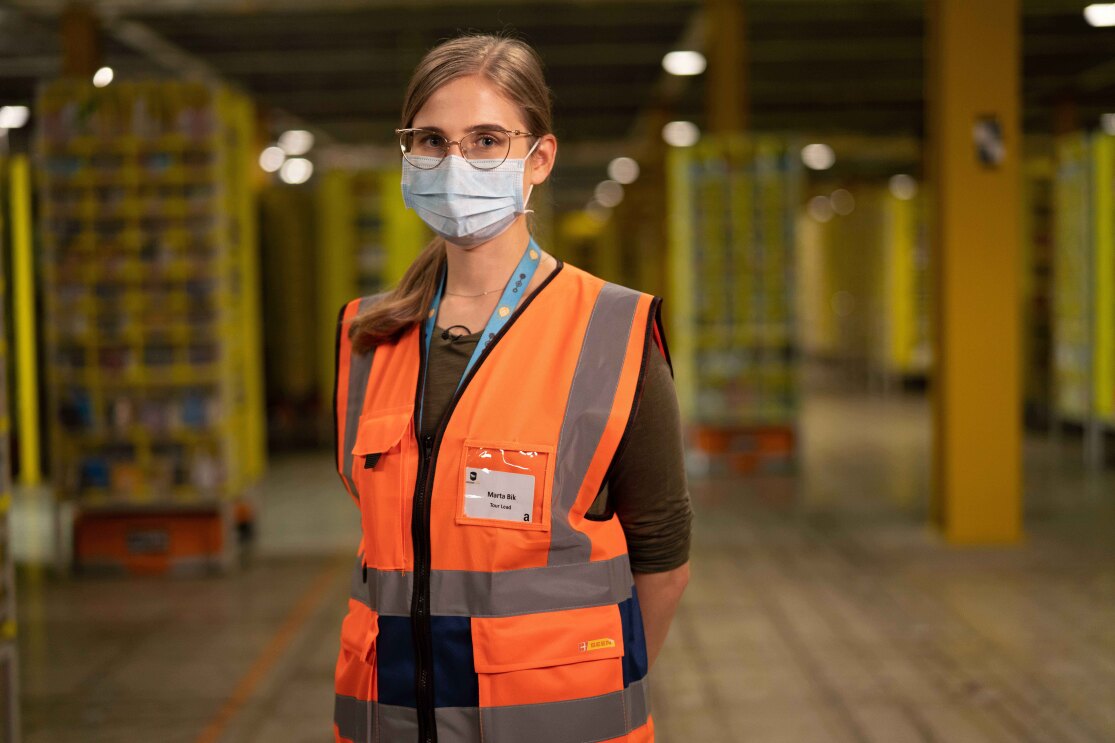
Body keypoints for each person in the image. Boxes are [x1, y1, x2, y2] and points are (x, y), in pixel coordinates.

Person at [332, 34, 691, 743]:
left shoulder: (610, 330)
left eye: (487, 139)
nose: (455, 163)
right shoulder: (367, 337)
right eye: (431, 139)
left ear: (539, 159)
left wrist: (591, 674)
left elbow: (662, 557)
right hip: (394, 718)